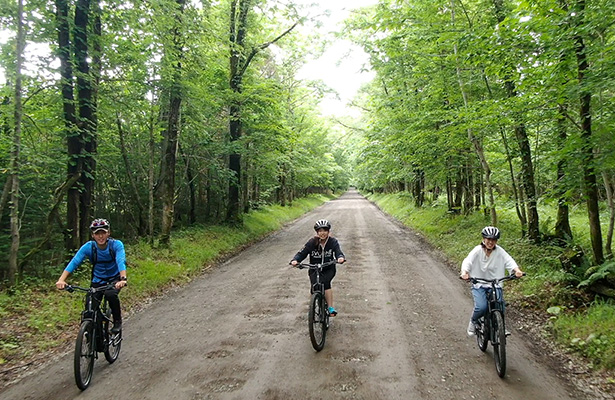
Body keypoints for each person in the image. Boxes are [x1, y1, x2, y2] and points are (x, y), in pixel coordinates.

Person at [56, 218, 127, 333]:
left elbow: (120, 261)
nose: (100, 236)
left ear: (108, 233)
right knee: (90, 309)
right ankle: (92, 336)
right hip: (98, 280)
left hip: (115, 279)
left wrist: (123, 278)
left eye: (103, 232)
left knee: (110, 294)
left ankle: (117, 321)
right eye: (97, 233)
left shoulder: (116, 245)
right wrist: (61, 280)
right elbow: (74, 262)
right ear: (92, 235)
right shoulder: (89, 247)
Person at [460, 226, 523, 336]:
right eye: (488, 239)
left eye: (493, 240)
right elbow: (468, 261)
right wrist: (464, 272)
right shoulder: (477, 251)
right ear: (484, 239)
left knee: (500, 304)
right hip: (479, 284)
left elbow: (509, 261)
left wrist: (517, 270)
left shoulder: (499, 251)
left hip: (495, 283)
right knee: (481, 306)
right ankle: (473, 321)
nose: (491, 242)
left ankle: (501, 327)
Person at [291, 219, 346, 316]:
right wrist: (296, 260)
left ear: (328, 231)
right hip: (314, 268)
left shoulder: (333, 242)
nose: (322, 233)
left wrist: (340, 258)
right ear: (317, 232)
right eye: (320, 231)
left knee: (325, 283)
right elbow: (302, 253)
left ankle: (330, 308)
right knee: (314, 285)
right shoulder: (312, 242)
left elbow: (338, 252)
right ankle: (312, 307)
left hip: (328, 268)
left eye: (325, 230)